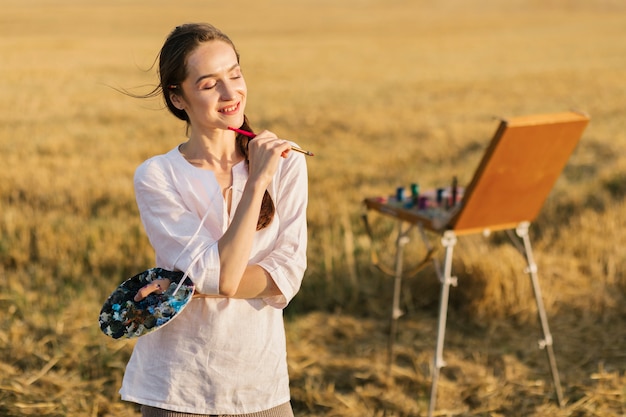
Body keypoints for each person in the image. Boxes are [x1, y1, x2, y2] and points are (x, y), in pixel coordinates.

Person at [119, 23, 308, 417]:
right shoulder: (158, 176)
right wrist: (256, 182)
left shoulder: (287, 166)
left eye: (235, 75)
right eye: (209, 84)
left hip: (261, 385)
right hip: (177, 389)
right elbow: (219, 276)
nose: (230, 93)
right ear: (178, 97)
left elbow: (286, 273)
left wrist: (185, 285)